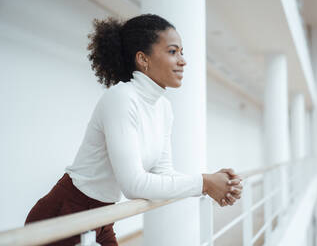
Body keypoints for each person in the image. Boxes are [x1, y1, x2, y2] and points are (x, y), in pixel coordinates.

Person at [24, 14, 243, 246]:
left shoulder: (163, 107)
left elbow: (163, 173)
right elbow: (133, 184)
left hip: (102, 215)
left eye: (182, 52)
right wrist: (205, 183)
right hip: (66, 214)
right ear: (143, 59)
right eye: (172, 51)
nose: (183, 60)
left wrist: (214, 184)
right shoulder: (121, 98)